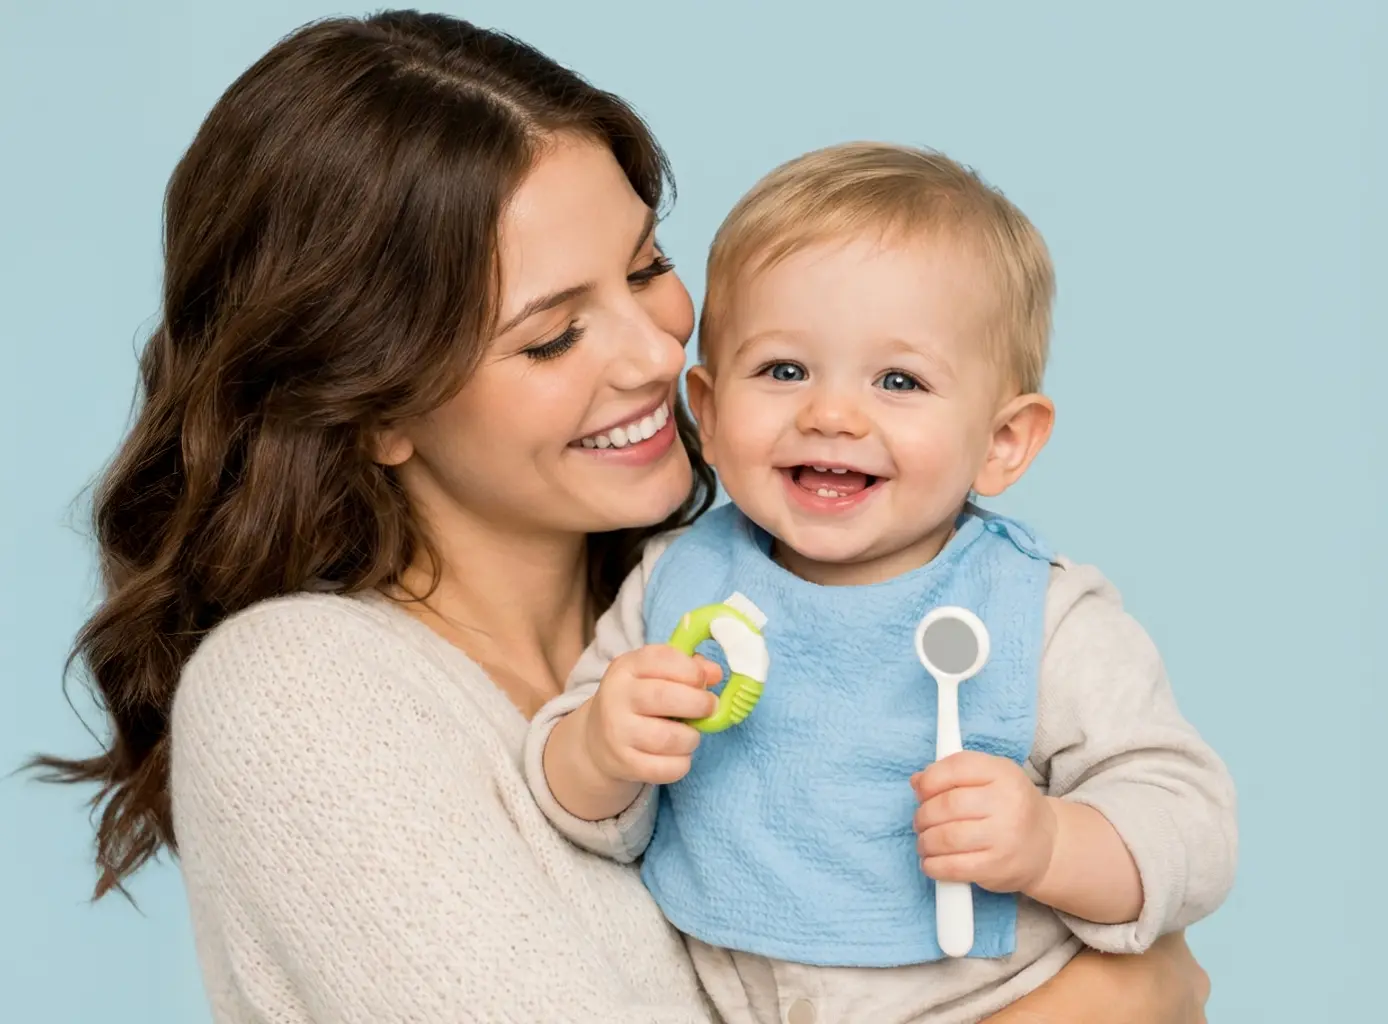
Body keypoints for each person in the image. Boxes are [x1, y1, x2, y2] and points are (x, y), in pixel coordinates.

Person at [33, 10, 1215, 1023]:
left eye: (648, 268)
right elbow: (1146, 984)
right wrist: (1118, 998)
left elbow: (1165, 816)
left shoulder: (737, 585)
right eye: (553, 335)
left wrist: (1082, 864)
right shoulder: (299, 695)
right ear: (376, 404)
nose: (658, 355)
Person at [531, 142, 1239, 1022]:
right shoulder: (680, 580)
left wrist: (1054, 845)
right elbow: (571, 801)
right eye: (784, 370)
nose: (831, 413)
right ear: (705, 411)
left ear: (1002, 442)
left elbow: (1192, 824)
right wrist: (600, 750)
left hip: (992, 997)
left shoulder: (1040, 613)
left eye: (899, 380)